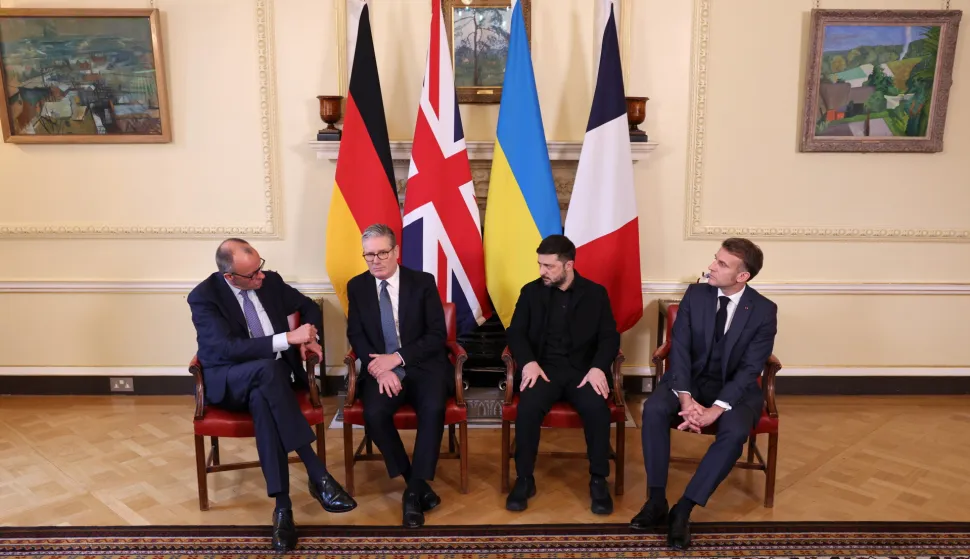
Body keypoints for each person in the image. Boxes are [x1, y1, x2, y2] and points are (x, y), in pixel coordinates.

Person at [187, 238, 356, 553]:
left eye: (260, 267)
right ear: (230, 277)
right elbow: (225, 349)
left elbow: (307, 306)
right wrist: (287, 338)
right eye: (252, 276)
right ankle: (317, 473)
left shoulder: (270, 281)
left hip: (271, 384)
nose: (261, 277)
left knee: (266, 394)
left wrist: (309, 338)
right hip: (230, 381)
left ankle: (283, 509)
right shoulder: (204, 298)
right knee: (267, 370)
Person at [631, 238, 777, 550]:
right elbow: (679, 348)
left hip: (734, 391)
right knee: (654, 408)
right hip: (689, 382)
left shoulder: (764, 311)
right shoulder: (696, 294)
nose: (711, 266)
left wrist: (717, 409)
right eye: (715, 259)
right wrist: (685, 397)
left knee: (735, 430)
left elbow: (751, 369)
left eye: (722, 264)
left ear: (743, 277)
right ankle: (656, 500)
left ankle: (683, 510)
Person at [504, 234, 621, 514]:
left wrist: (596, 368)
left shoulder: (595, 293)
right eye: (540, 265)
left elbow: (609, 338)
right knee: (528, 408)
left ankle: (598, 479)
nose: (542, 271)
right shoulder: (530, 292)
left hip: (583, 372)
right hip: (544, 370)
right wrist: (529, 362)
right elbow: (516, 333)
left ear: (568, 266)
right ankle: (524, 479)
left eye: (549, 266)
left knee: (597, 410)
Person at [345, 223, 452, 528]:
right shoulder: (358, 286)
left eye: (381, 253)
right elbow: (357, 334)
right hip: (382, 370)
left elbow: (436, 335)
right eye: (369, 255)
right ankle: (416, 485)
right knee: (375, 414)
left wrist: (398, 358)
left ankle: (411, 495)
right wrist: (379, 369)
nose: (375, 260)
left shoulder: (422, 282)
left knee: (433, 409)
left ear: (396, 252)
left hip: (423, 365)